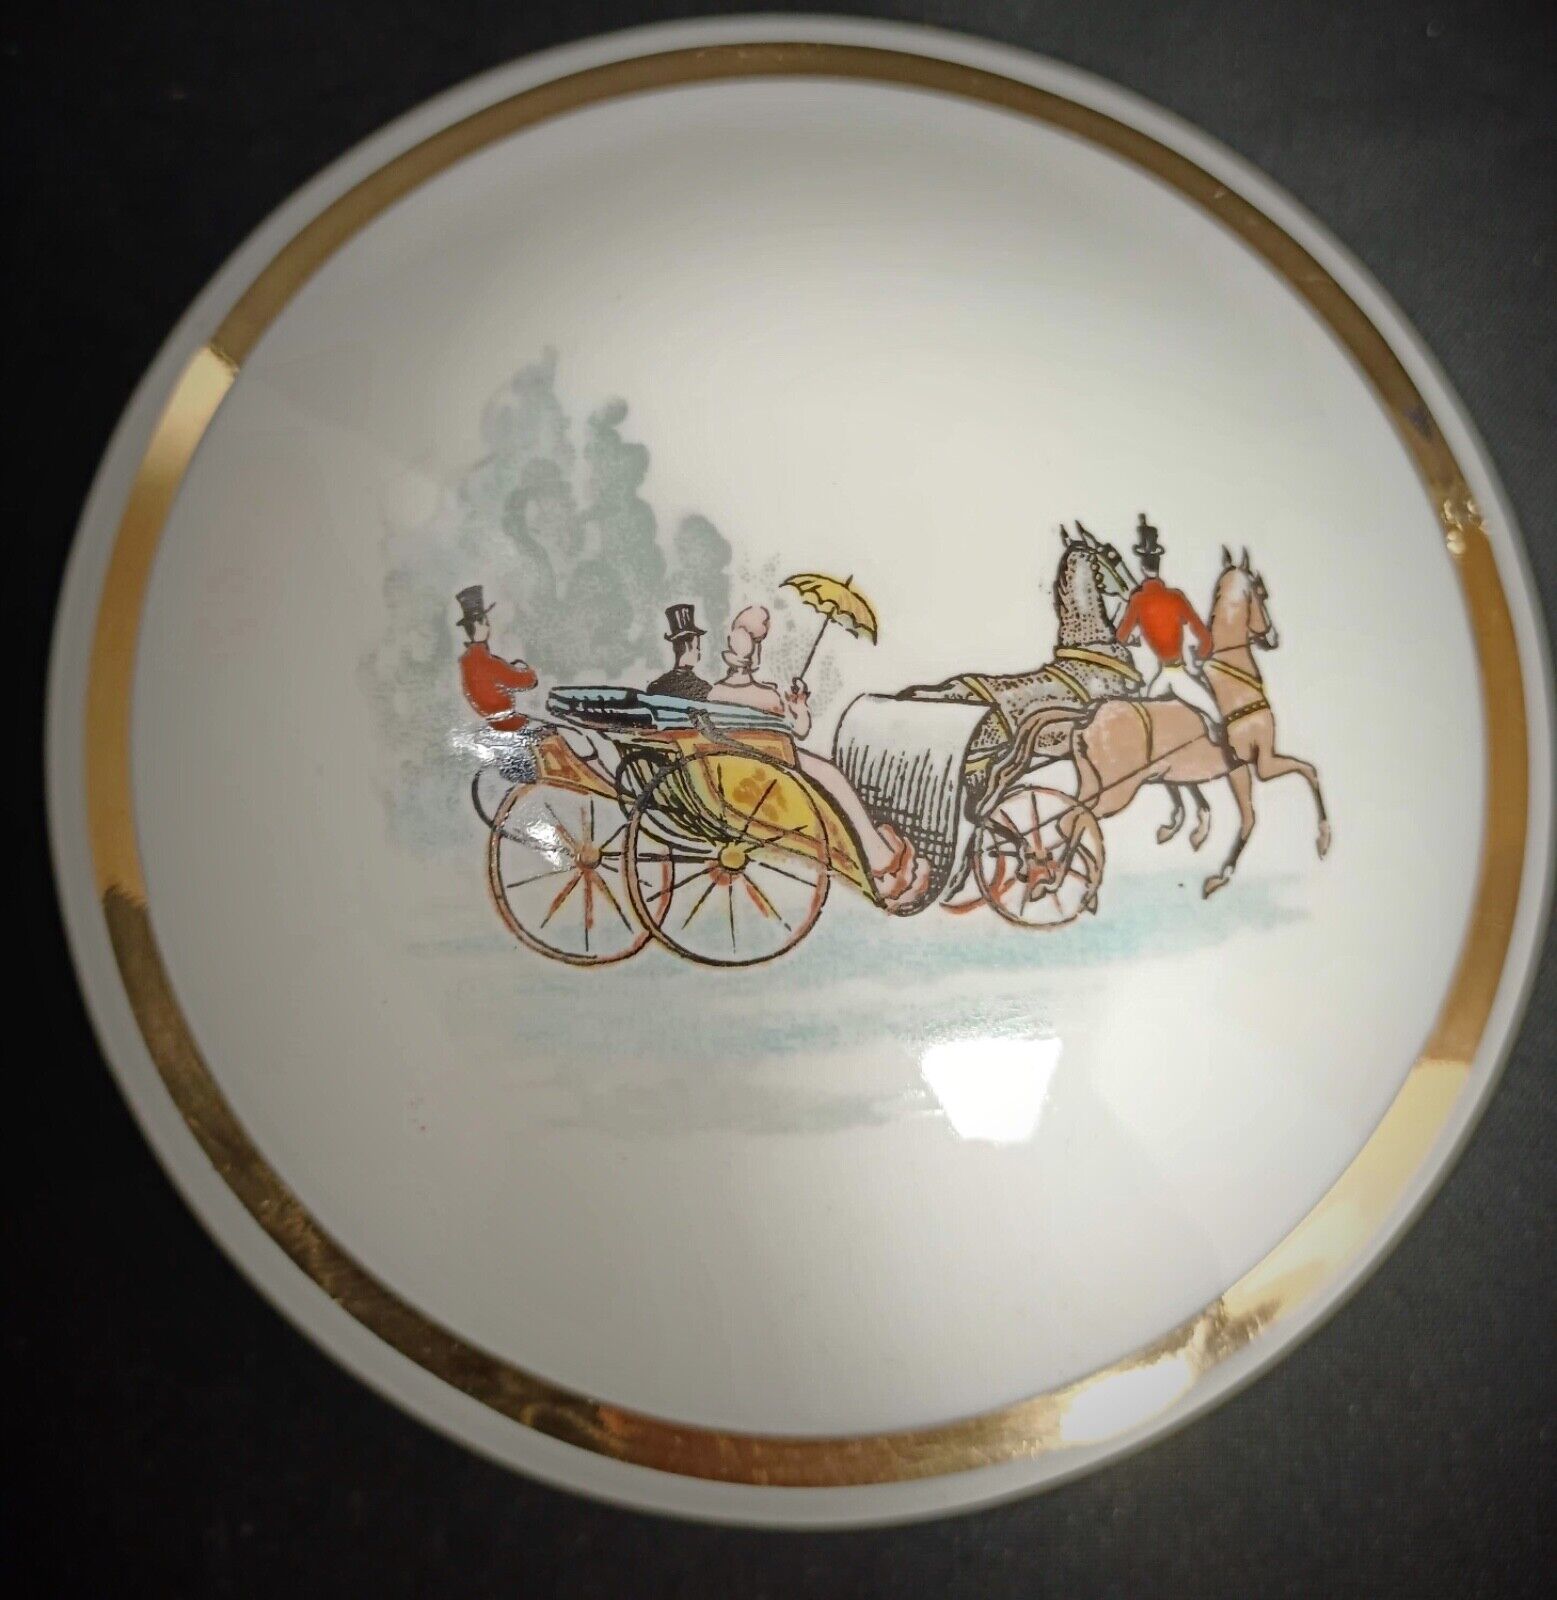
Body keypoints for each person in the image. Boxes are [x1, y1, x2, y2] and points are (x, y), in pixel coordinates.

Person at [709, 605, 930, 910]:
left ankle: (878, 860)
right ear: (755, 653)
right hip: (773, 773)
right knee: (834, 782)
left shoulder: (715, 694)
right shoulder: (767, 696)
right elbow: (799, 730)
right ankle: (881, 866)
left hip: (737, 773)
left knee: (829, 779)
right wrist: (799, 704)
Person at [1114, 516, 1229, 751]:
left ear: (1142, 568)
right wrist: (1201, 655)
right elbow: (1204, 637)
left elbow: (1120, 638)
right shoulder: (1175, 597)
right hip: (1178, 672)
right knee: (1216, 716)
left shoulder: (1138, 600)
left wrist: (1134, 637)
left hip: (1161, 679)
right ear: (1158, 565)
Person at [455, 585, 537, 731]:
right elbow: (524, 681)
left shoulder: (468, 661)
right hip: (508, 722)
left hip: (494, 722)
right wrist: (531, 671)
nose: (488, 627)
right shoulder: (486, 662)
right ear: (478, 626)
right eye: (485, 622)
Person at [646, 603, 711, 699]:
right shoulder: (704, 689)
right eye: (697, 648)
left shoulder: (655, 686)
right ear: (687, 646)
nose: (699, 654)